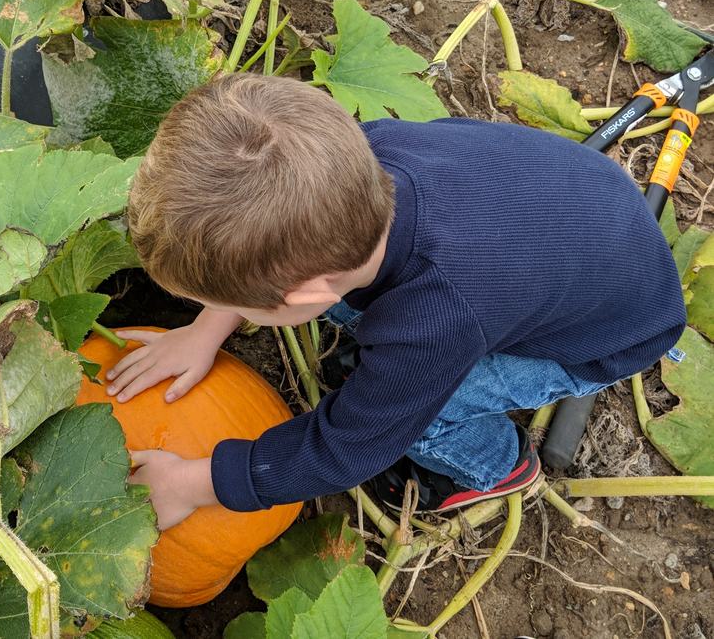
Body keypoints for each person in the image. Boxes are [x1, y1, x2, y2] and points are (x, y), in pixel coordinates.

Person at [109, 74, 686, 530]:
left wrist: (193, 483)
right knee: (390, 358)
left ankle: (496, 466)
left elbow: (344, 450)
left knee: (420, 419)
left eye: (227, 305)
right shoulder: (368, 153)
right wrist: (204, 332)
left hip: (603, 337)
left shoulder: (435, 319)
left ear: (303, 294)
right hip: (586, 206)